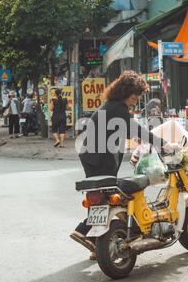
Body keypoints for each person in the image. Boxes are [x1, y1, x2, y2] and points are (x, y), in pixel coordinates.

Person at [70, 71, 180, 260]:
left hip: (91, 156)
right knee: (111, 195)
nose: (134, 102)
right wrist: (165, 144)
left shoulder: (111, 106)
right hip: (100, 158)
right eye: (133, 98)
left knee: (101, 196)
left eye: (136, 99)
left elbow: (129, 132)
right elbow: (137, 130)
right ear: (124, 94)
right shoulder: (118, 109)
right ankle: (84, 232)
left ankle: (98, 246)